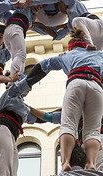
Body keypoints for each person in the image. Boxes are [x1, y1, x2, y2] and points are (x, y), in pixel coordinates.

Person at [12, 28, 103, 171]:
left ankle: (66, 162)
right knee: (92, 131)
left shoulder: (67, 55)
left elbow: (42, 66)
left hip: (76, 82)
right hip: (96, 86)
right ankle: (91, 164)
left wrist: (27, 83)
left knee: (68, 125)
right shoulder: (98, 55)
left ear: (71, 46)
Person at [0, 79, 61, 176]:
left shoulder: (23, 110)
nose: (29, 90)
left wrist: (58, 111)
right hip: (1, 129)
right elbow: (24, 84)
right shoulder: (11, 94)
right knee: (4, 168)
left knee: (12, 170)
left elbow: (40, 118)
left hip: (9, 134)